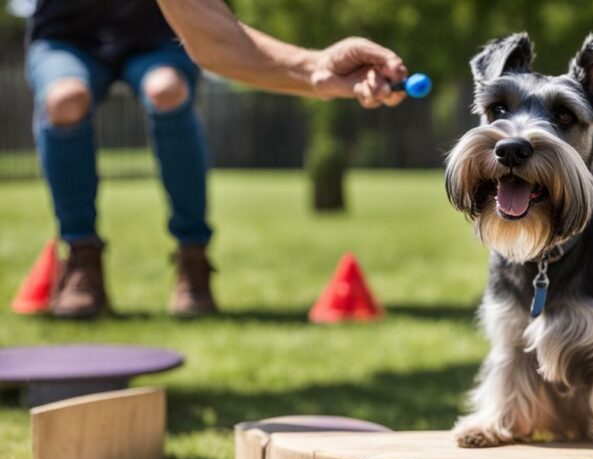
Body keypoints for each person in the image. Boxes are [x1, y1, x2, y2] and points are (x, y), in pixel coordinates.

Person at [27, 0, 407, 319]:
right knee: (65, 98)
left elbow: (214, 37)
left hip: (157, 36)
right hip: (66, 37)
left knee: (167, 90)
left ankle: (193, 255)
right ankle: (81, 255)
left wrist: (317, 68)